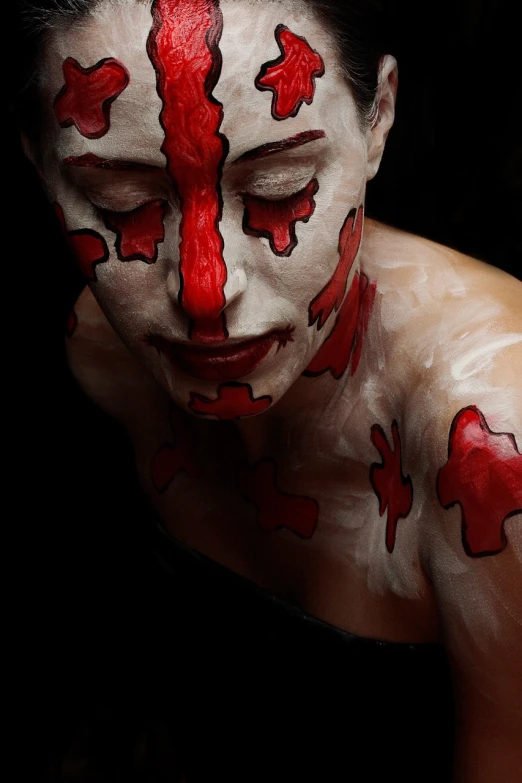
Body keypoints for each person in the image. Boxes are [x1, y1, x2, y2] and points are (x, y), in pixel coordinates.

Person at [13, 0, 521, 780]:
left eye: (280, 190)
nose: (204, 291)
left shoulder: (489, 438)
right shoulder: (103, 359)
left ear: (378, 116)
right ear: (38, 161)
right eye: (124, 205)